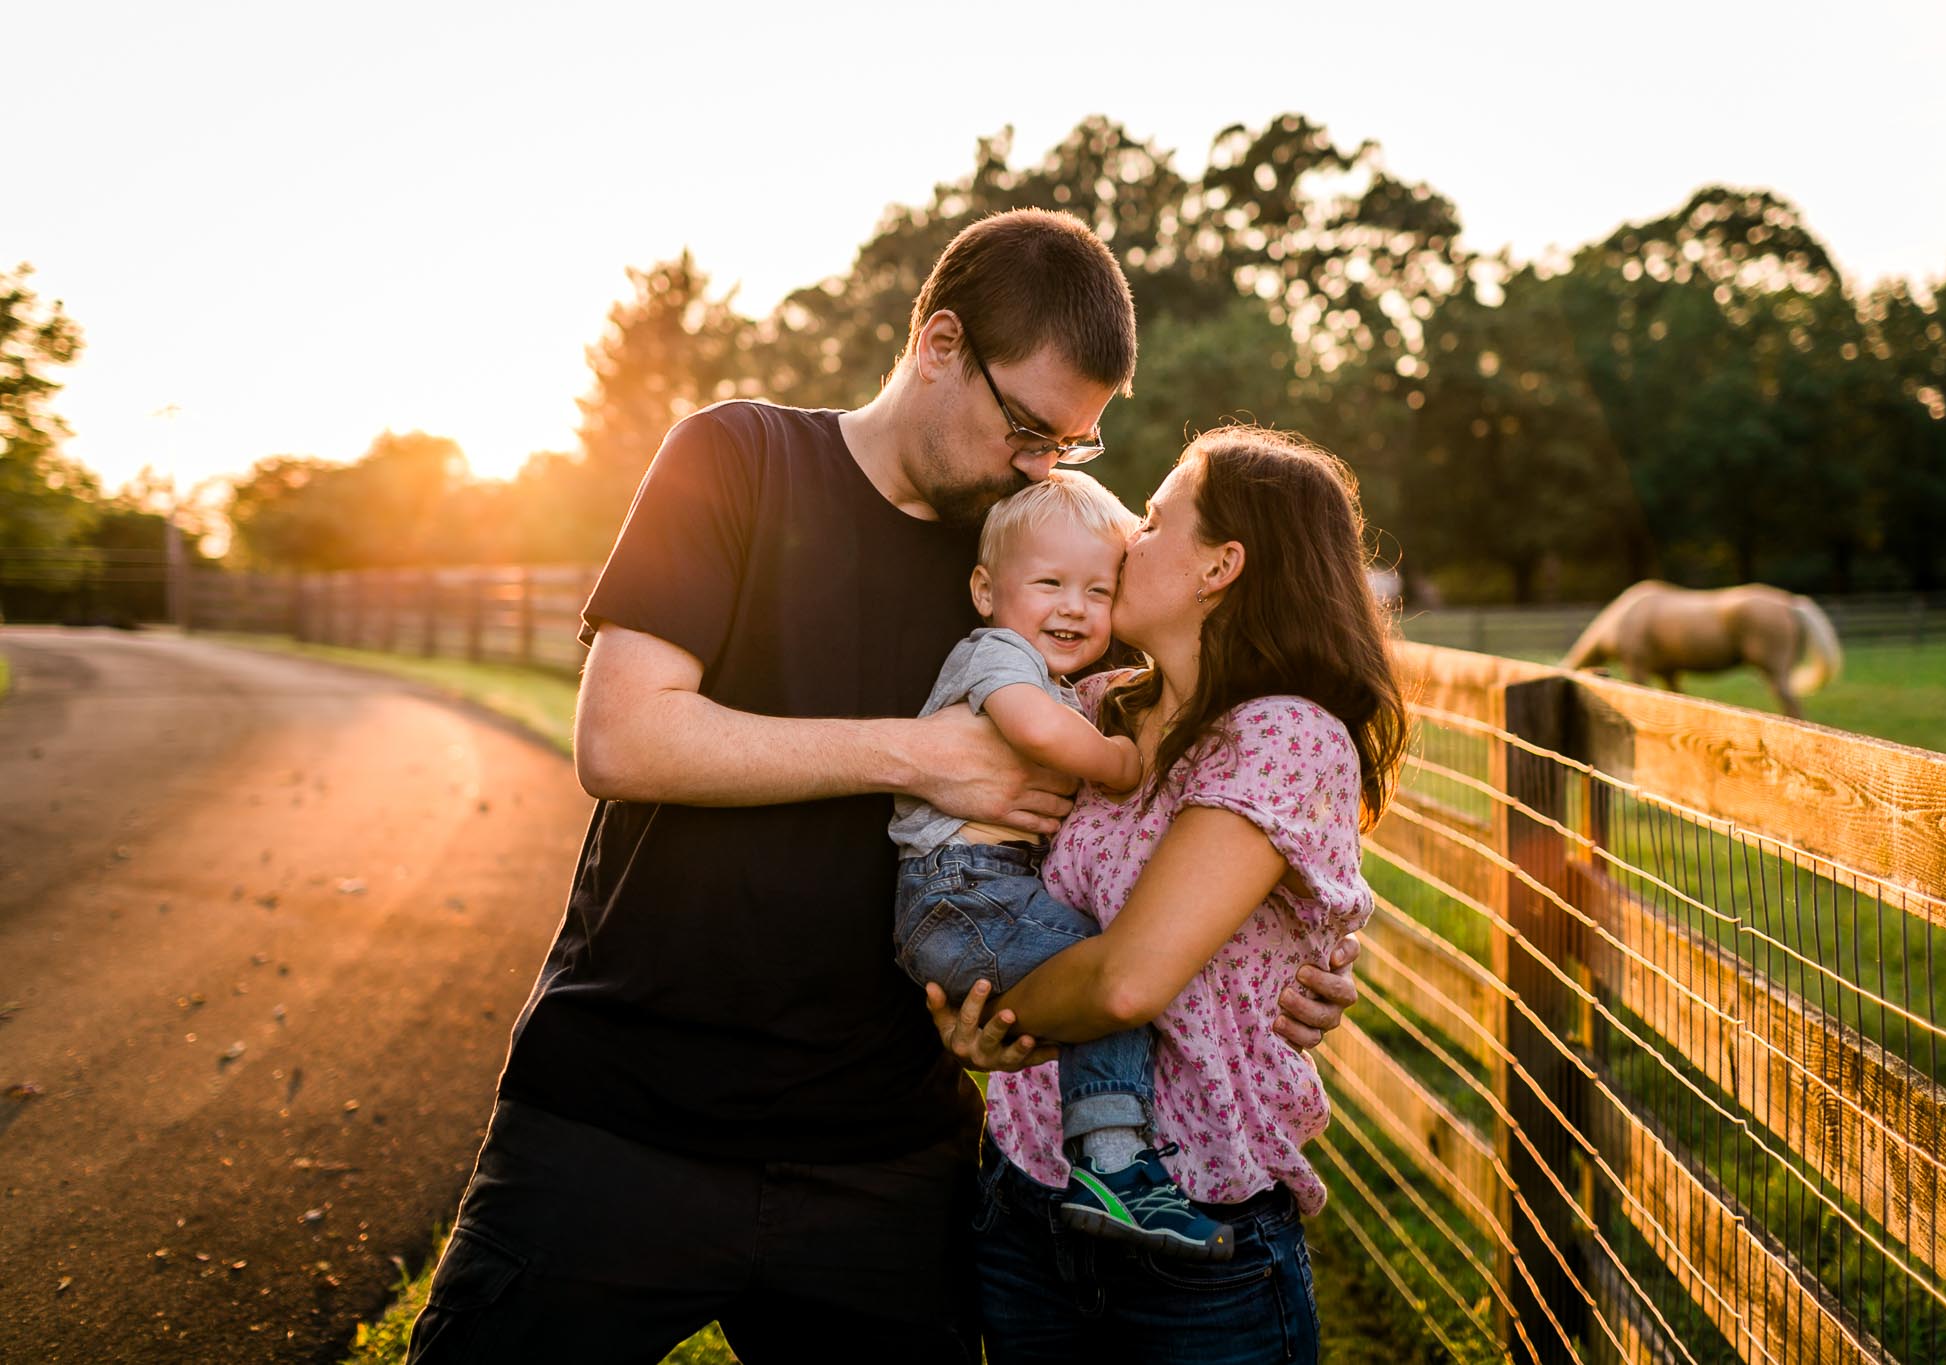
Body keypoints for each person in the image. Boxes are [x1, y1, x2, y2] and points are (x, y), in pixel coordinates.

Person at [405, 209, 1361, 1365]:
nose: (1038, 463)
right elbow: (619, 739)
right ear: (941, 344)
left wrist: (1287, 967)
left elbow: (1187, 779)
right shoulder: (739, 456)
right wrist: (912, 753)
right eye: (1024, 426)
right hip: (620, 1113)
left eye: (1067, 445)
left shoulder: (1032, 558)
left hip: (886, 1156)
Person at [933, 426, 1408, 1362]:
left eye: (1152, 522)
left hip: (1196, 1243)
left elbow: (1125, 984)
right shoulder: (1097, 706)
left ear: (1220, 567)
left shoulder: (1285, 734)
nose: (1123, 540)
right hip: (1028, 1207)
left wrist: (979, 1013)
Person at [889, 472, 1232, 1263]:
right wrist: (1117, 761)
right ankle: (1113, 1165)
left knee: (1104, 978)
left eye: (1096, 589)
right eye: (1049, 584)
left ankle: (1110, 1164)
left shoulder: (1071, 680)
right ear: (985, 590)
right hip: (960, 892)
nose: (1074, 607)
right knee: (1106, 984)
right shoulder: (996, 654)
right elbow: (1034, 730)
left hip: (978, 895)